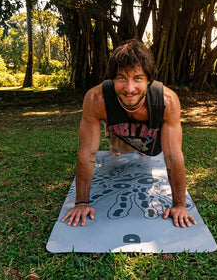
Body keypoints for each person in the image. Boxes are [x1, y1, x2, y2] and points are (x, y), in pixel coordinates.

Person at [61, 39, 197, 228]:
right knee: (119, 148)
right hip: (119, 135)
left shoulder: (167, 101)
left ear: (149, 79)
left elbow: (173, 156)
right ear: (112, 79)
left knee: (149, 150)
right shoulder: (95, 99)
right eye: (121, 78)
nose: (129, 88)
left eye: (138, 78)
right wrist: (81, 202)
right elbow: (88, 152)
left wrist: (180, 205)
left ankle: (140, 148)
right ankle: (117, 144)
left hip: (151, 140)